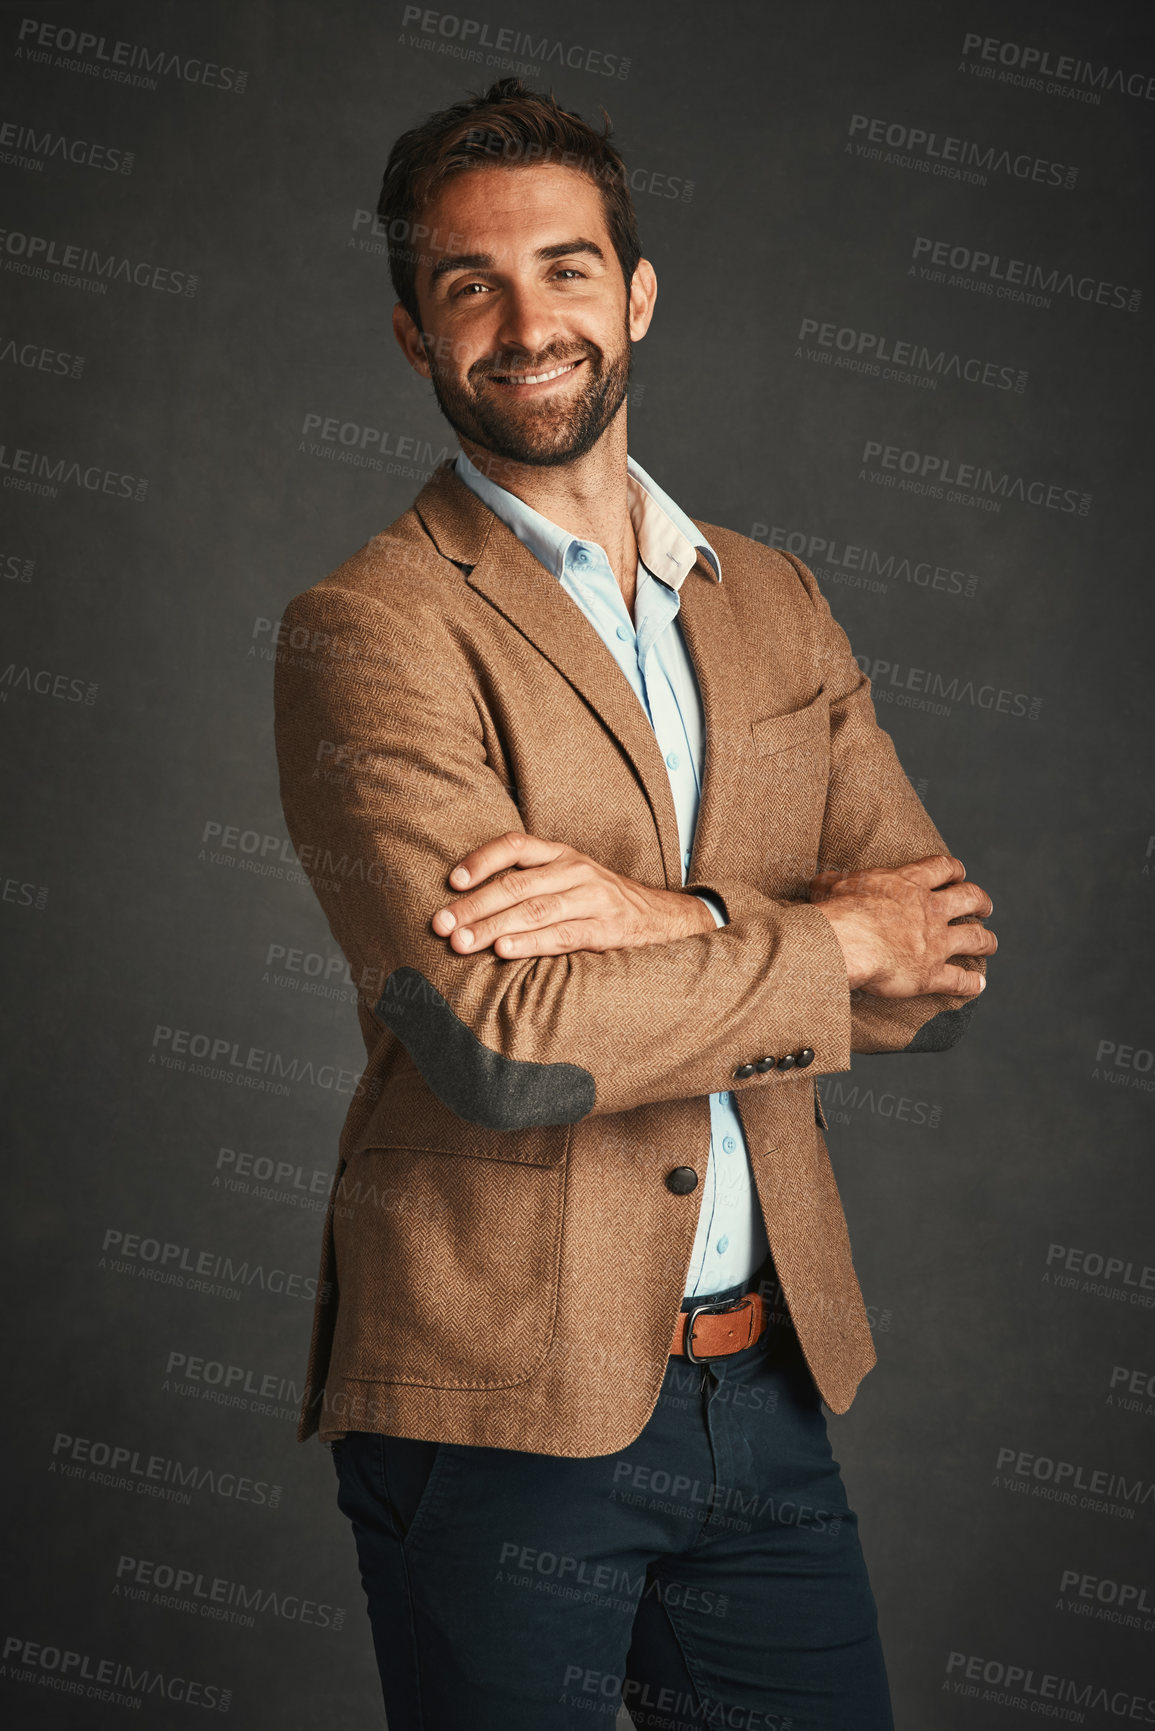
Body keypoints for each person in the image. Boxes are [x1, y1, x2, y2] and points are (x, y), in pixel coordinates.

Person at [273, 76, 995, 1731]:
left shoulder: (775, 598)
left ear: (637, 291)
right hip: (492, 1410)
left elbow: (936, 963)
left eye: (568, 268)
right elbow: (508, 1045)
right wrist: (826, 937)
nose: (530, 321)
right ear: (412, 333)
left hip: (774, 1390)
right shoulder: (369, 632)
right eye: (472, 283)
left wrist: (655, 916)